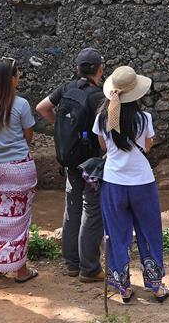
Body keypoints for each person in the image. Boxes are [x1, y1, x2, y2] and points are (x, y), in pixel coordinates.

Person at [93, 65, 169, 303]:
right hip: (142, 181)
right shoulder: (144, 118)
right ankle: (156, 286)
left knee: (116, 234)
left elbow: (104, 147)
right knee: (149, 232)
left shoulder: (102, 118)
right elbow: (146, 147)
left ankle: (123, 287)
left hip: (113, 182)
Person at [35, 47, 106, 282]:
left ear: (77, 68)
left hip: (68, 158)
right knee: (91, 211)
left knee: (72, 208)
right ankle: (89, 268)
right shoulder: (98, 96)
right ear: (100, 69)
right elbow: (104, 133)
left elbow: (42, 107)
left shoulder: (66, 88)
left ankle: (71, 264)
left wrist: (60, 129)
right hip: (90, 162)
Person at [0, 58, 39, 282]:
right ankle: (20, 270)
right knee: (19, 221)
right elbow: (29, 135)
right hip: (20, 168)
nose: (19, 78)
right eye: (17, 75)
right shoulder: (21, 104)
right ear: (11, 79)